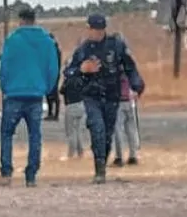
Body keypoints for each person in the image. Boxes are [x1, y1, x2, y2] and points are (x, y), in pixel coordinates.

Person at [63, 14, 145, 184]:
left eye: (100, 29)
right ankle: (99, 169)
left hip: (111, 95)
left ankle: (103, 162)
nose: (96, 33)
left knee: (107, 133)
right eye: (93, 29)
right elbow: (69, 73)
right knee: (97, 128)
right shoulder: (83, 50)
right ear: (88, 29)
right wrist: (82, 69)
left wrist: (136, 86)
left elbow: (130, 67)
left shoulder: (116, 46)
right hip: (91, 96)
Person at [0, 8, 58, 188]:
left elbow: (4, 67)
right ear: (34, 20)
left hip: (14, 94)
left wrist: (5, 87)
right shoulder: (47, 41)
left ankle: (6, 172)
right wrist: (46, 88)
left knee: (7, 133)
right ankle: (31, 175)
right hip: (36, 94)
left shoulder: (12, 40)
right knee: (35, 135)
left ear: (21, 20)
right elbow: (53, 68)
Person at [112, 73, 140, 167]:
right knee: (132, 130)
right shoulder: (130, 69)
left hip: (119, 102)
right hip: (130, 102)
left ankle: (119, 157)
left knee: (118, 130)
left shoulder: (114, 69)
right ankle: (133, 156)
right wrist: (137, 92)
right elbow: (140, 83)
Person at [59, 70, 86, 161]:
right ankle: (80, 152)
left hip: (71, 106)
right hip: (81, 105)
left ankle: (70, 153)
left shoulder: (69, 80)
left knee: (71, 132)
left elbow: (62, 91)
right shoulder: (81, 79)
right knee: (78, 130)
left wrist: (65, 80)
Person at [44, 33, 62, 121]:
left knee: (54, 93)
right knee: (48, 93)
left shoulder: (55, 49)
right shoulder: (48, 50)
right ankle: (50, 112)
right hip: (48, 74)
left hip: (54, 73)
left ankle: (56, 114)